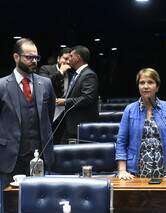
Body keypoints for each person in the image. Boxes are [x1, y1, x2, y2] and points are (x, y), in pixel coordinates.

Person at [0, 38, 55, 212]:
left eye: (36, 57)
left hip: (40, 156)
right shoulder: (1, 85)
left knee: (41, 205)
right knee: (9, 206)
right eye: (29, 57)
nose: (34, 61)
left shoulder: (45, 83)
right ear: (16, 57)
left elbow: (50, 113)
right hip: (10, 158)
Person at [116, 68, 166, 180]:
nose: (145, 86)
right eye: (142, 83)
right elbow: (121, 142)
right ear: (138, 87)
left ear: (157, 87)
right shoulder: (129, 110)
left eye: (150, 82)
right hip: (134, 173)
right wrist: (122, 170)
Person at [56, 45, 98, 143]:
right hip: (71, 125)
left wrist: (65, 102)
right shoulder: (77, 74)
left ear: (78, 58)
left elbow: (87, 98)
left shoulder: (88, 75)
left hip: (81, 126)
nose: (68, 59)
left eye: (71, 56)